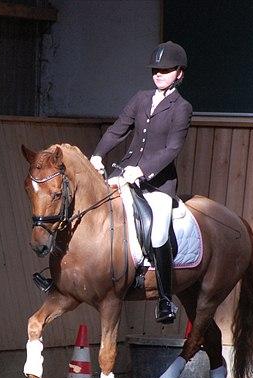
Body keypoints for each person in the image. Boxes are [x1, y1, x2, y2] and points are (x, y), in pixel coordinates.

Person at [90, 41, 192, 324]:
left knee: (158, 233)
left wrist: (142, 170)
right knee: (94, 209)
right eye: (156, 70)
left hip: (157, 185)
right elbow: (117, 130)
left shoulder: (182, 108)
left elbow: (172, 149)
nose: (158, 74)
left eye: (166, 70)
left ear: (179, 73)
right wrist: (97, 155)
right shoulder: (140, 98)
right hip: (123, 174)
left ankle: (164, 299)